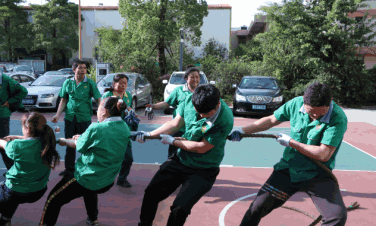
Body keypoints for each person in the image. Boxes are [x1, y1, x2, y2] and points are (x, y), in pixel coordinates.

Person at [228, 82, 348, 226]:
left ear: (330, 102)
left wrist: (292, 143)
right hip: (288, 169)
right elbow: (272, 119)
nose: (315, 116)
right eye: (311, 111)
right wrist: (243, 131)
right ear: (304, 100)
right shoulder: (296, 104)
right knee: (256, 208)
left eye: (320, 112)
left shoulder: (337, 118)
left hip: (318, 173)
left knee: (337, 217)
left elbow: (323, 154)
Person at [135, 84, 234, 226]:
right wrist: (149, 134)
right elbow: (175, 124)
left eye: (206, 114)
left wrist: (174, 141)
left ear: (218, 105)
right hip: (181, 159)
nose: (201, 116)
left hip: (204, 169)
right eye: (198, 111)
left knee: (180, 208)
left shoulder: (225, 119)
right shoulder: (189, 100)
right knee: (151, 193)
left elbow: (202, 147)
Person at [39, 97, 130, 226]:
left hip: (86, 177)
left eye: (98, 109)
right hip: (107, 180)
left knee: (53, 200)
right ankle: (93, 219)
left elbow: (79, 146)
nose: (97, 111)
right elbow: (103, 141)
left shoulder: (96, 128)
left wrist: (64, 141)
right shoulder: (125, 127)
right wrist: (83, 137)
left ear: (104, 111)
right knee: (90, 190)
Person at [0, 112, 60, 226]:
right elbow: (33, 141)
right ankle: (5, 218)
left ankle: (5, 218)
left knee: (9, 191)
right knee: (12, 193)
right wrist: (18, 137)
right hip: (38, 191)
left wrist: (7, 140)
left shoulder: (16, 146)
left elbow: (2, 144)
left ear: (27, 128)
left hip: (15, 191)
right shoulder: (48, 142)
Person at [52, 59, 102, 177]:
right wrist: (57, 114)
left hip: (84, 119)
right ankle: (69, 169)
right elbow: (63, 100)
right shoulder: (68, 83)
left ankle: (86, 168)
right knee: (69, 143)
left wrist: (101, 115)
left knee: (85, 145)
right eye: (80, 68)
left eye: (85, 68)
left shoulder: (90, 84)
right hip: (70, 118)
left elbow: (99, 99)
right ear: (74, 70)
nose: (83, 70)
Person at [146, 67, 201, 157]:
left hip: (195, 130)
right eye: (192, 77)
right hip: (178, 128)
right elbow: (166, 104)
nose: (195, 79)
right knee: (173, 155)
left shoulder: (202, 92)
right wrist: (153, 106)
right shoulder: (178, 91)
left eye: (197, 77)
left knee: (192, 155)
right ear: (186, 78)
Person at [102, 73, 138, 188]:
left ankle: (122, 179)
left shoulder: (128, 95)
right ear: (114, 84)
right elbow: (102, 112)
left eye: (125, 83)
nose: (123, 86)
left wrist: (133, 115)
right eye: (120, 83)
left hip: (124, 130)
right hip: (110, 130)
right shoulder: (108, 95)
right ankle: (103, 178)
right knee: (108, 157)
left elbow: (130, 109)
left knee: (128, 158)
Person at [0, 73, 28, 173]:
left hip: (2, 115)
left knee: (3, 143)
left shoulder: (5, 79)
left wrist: (9, 101)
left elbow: (23, 91)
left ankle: (12, 170)